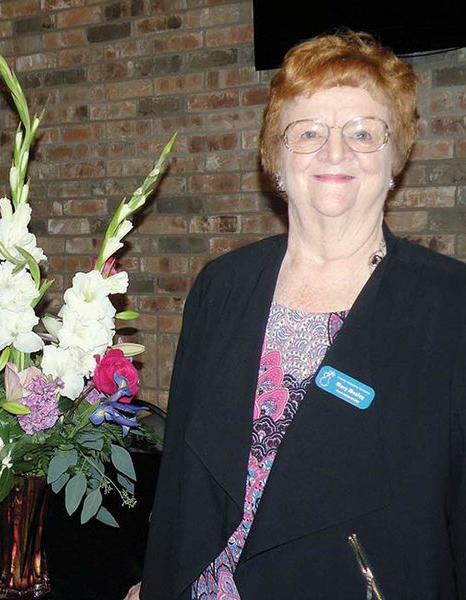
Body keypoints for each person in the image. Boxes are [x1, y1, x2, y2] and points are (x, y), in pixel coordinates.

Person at [129, 31, 466, 599]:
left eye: (363, 132)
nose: (335, 152)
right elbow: (184, 485)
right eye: (308, 132)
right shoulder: (222, 287)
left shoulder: (449, 306)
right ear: (277, 161)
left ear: (394, 160)